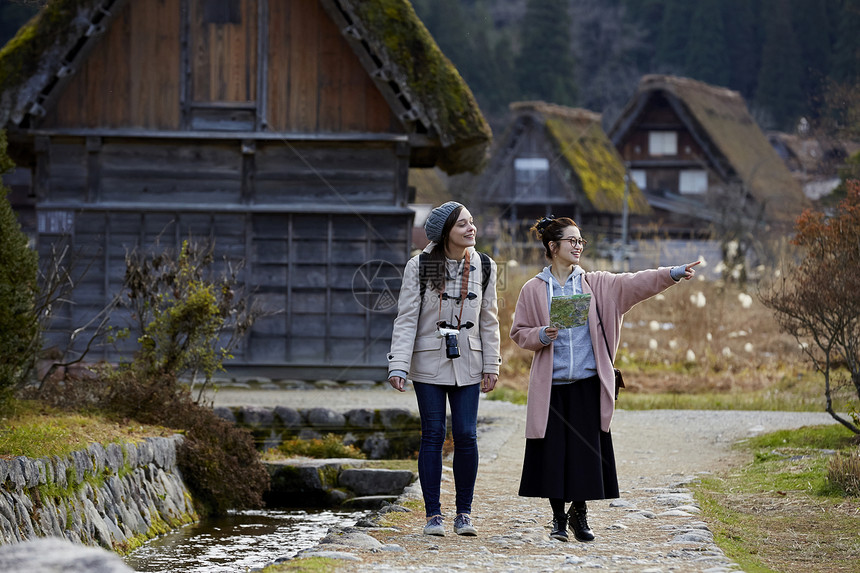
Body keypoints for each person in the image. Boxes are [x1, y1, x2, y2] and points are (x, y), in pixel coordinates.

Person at [510, 215, 699, 543]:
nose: (578, 246)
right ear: (553, 247)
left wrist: (673, 274)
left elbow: (636, 282)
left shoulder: (599, 284)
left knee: (585, 453)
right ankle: (557, 518)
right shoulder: (533, 289)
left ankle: (579, 514)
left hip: (588, 383)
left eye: (581, 241)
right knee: (554, 453)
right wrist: (542, 334)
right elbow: (519, 333)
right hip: (551, 386)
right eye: (572, 241)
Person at [387, 201, 502, 537]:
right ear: (445, 233)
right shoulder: (420, 266)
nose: (472, 229)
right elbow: (407, 318)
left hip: (469, 359)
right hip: (427, 362)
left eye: (472, 221)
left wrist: (491, 364)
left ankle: (464, 514)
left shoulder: (484, 265)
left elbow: (488, 319)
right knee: (433, 435)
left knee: (467, 434)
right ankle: (433, 516)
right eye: (463, 224)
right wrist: (399, 365)